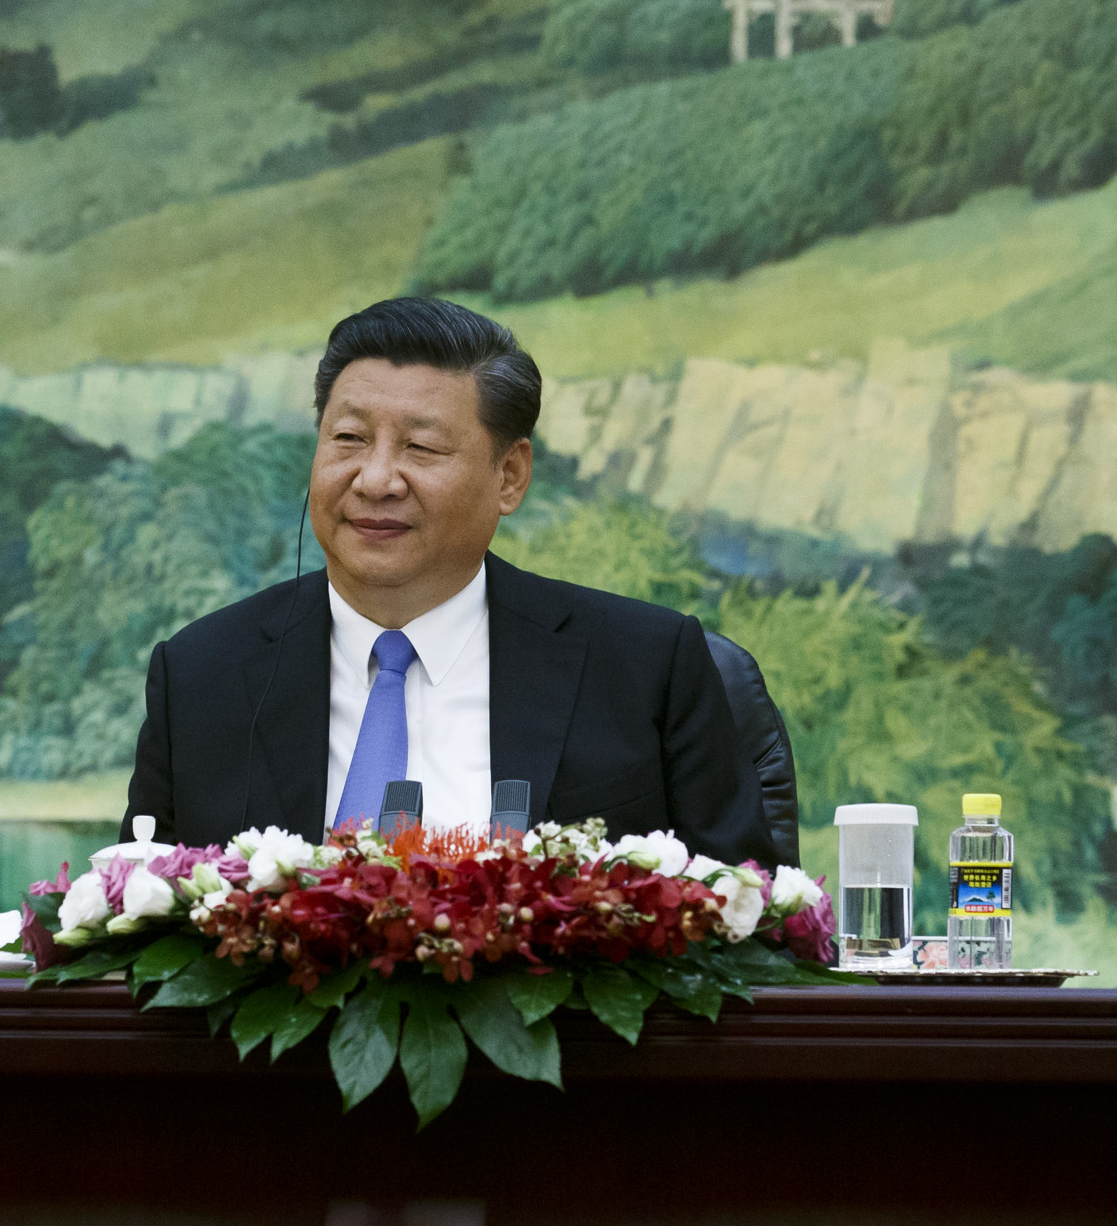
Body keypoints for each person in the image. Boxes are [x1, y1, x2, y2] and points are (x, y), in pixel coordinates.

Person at [122, 296, 770, 863]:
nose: (375, 479)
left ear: (509, 477)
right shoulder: (200, 677)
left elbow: (748, 933)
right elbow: (136, 939)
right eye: (348, 437)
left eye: (421, 449)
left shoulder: (646, 668)